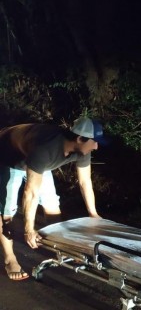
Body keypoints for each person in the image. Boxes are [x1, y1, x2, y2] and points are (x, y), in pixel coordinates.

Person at [0, 116, 105, 280]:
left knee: (52, 207)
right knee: (7, 213)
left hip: (34, 159)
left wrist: (93, 214)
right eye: (95, 142)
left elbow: (85, 182)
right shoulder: (46, 148)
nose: (97, 147)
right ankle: (9, 259)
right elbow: (31, 193)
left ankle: (61, 249)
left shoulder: (83, 150)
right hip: (7, 156)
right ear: (79, 138)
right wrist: (29, 229)